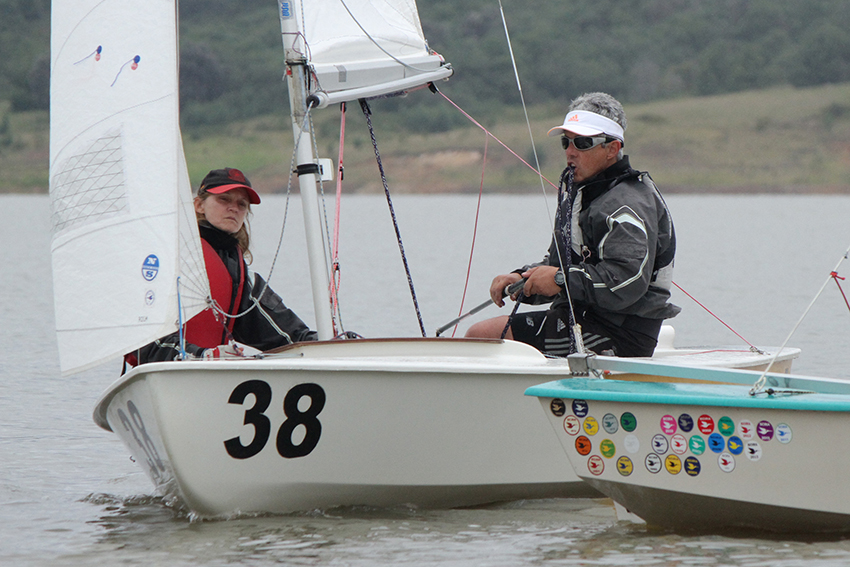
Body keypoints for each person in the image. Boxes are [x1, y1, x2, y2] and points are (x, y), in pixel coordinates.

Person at [465, 92, 679, 357]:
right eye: (566, 141)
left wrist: (558, 279)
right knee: (482, 336)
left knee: (481, 336)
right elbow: (560, 265)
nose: (570, 151)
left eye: (583, 143)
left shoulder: (627, 204)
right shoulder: (579, 196)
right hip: (580, 319)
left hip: (620, 334)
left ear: (612, 149)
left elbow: (627, 282)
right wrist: (522, 279)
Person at [124, 167, 317, 368]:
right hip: (166, 372)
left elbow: (284, 333)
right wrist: (199, 355)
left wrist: (323, 343)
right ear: (199, 205)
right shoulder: (167, 257)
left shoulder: (238, 271)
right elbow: (142, 332)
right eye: (224, 199)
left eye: (242, 204)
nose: (234, 208)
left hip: (210, 374)